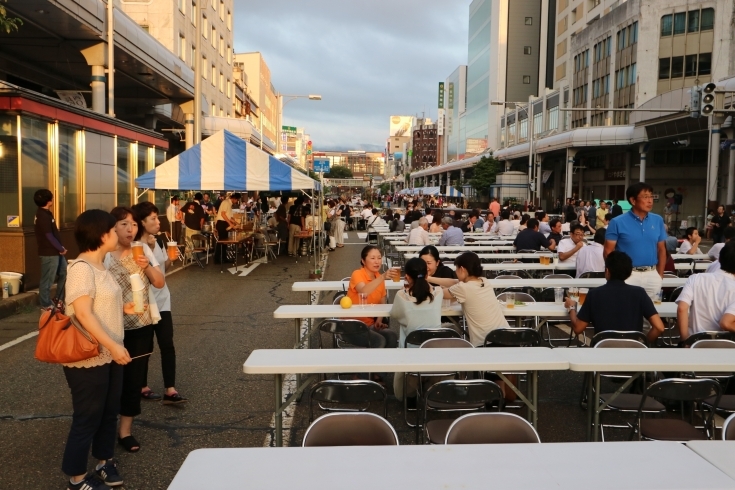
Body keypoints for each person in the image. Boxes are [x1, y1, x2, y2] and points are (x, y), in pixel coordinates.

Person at [61, 210, 133, 490]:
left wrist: (123, 308)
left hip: (111, 353)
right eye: (115, 230)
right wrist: (113, 344)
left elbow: (101, 305)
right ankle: (76, 477)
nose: (119, 234)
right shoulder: (81, 268)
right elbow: (83, 314)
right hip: (89, 356)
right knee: (87, 416)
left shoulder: (102, 266)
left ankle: (104, 461)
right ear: (102, 235)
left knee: (109, 412)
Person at [105, 207, 165, 453]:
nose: (131, 229)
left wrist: (147, 265)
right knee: (109, 382)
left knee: (133, 380)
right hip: (110, 327)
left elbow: (160, 282)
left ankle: (125, 431)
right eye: (123, 224)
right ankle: (105, 428)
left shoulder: (143, 249)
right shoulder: (105, 254)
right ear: (112, 228)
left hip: (140, 325)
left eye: (132, 224)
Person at [132, 202, 187, 405]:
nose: (158, 221)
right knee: (145, 346)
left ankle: (170, 389)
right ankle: (142, 385)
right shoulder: (135, 246)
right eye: (153, 218)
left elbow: (162, 269)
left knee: (167, 343)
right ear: (142, 223)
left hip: (162, 299)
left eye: (157, 217)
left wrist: (171, 258)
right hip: (144, 302)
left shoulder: (159, 241)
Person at [565, 251, 664, 343]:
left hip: (602, 350)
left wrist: (572, 307)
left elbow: (578, 328)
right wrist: (643, 343)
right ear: (629, 273)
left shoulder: (594, 294)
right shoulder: (640, 293)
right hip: (632, 352)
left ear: (607, 271)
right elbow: (659, 327)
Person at [604, 183, 667, 300]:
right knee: (626, 312)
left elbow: (661, 249)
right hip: (627, 275)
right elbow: (608, 251)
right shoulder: (617, 222)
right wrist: (616, 276)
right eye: (645, 197)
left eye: (651, 196)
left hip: (652, 274)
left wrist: (660, 275)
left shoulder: (658, 220)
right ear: (633, 200)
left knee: (652, 313)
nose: (650, 201)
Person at [442, 252, 509, 346]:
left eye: (456, 269)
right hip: (507, 337)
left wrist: (428, 286)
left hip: (486, 344)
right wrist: (429, 278)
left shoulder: (463, 288)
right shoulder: (484, 281)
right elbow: (454, 282)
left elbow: (439, 294)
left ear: (462, 269)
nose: (455, 273)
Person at [391, 258, 443, 370]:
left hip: (411, 353)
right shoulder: (438, 293)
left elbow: (395, 315)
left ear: (407, 276)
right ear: (427, 274)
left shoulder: (402, 296)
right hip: (434, 352)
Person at [676, 241, 735, 341]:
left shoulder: (695, 278)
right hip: (724, 346)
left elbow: (682, 308)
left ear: (719, 259)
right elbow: (726, 323)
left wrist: (684, 340)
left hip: (695, 342)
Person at [345, 246, 399, 349]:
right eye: (373, 258)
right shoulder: (357, 274)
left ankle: (386, 364)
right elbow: (364, 291)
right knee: (379, 340)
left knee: (392, 336)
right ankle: (372, 364)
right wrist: (382, 277)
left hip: (369, 326)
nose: (377, 261)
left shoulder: (379, 278)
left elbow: (382, 303)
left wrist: (379, 321)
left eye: (379, 258)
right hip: (351, 325)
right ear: (363, 261)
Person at [34, 189, 68, 309]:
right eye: (52, 198)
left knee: (64, 273)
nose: (53, 200)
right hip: (49, 252)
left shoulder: (46, 213)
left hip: (56, 251)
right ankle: (46, 304)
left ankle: (58, 299)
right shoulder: (42, 215)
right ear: (48, 201)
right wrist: (61, 248)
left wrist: (60, 248)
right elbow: (48, 235)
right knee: (47, 279)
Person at [215, 193, 240, 263]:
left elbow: (229, 217)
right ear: (234, 198)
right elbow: (223, 214)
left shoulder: (229, 204)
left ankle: (224, 258)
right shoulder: (226, 202)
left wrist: (236, 223)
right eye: (237, 200)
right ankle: (217, 259)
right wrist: (230, 224)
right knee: (221, 241)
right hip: (221, 223)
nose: (237, 202)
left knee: (225, 242)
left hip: (224, 223)